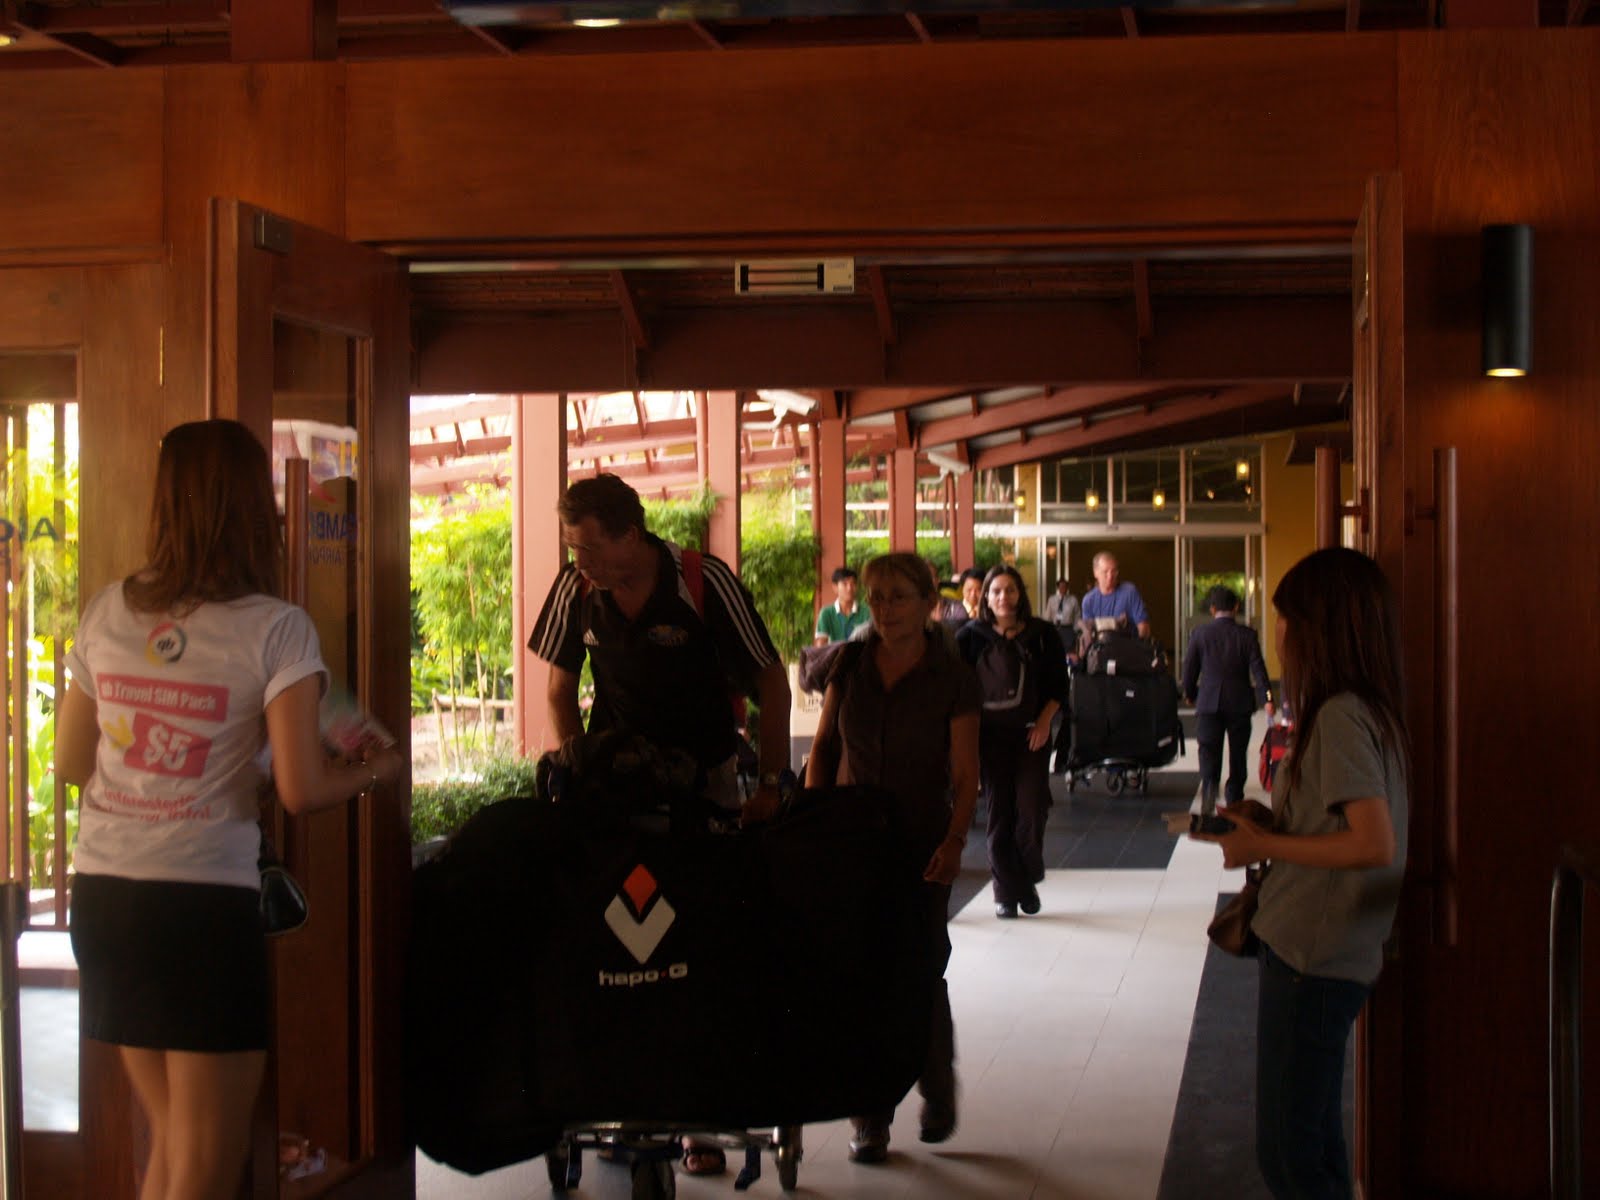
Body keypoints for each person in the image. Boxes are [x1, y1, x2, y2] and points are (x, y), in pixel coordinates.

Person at [56, 419, 404, 1200]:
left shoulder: (109, 610)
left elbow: (73, 760)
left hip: (105, 900)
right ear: (255, 507)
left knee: (176, 1148)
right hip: (199, 908)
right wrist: (377, 770)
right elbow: (303, 789)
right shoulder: (276, 628)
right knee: (206, 1162)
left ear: (166, 504)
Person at [528, 472, 791, 1178]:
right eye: (572, 548)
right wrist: (576, 761)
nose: (579, 562)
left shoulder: (703, 581)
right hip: (616, 792)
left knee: (700, 943)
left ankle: (701, 1116)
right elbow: (558, 688)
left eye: (588, 548)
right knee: (620, 945)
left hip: (704, 785)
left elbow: (771, 680)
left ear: (631, 535)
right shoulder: (577, 590)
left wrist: (770, 784)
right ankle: (623, 1098)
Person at [1192, 547, 1409, 1200]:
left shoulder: (1340, 715)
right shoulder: (1367, 708)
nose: (1279, 632)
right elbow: (1335, 817)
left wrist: (1264, 843)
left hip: (1314, 950)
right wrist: (1269, 820)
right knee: (1316, 1142)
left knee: (1288, 1154)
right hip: (1332, 946)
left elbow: (1371, 841)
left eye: (1287, 619)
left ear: (1320, 628)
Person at [806, 553, 979, 1164]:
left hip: (921, 840)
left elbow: (966, 774)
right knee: (859, 972)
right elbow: (823, 749)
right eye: (877, 597)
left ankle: (936, 1084)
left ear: (930, 604)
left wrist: (955, 841)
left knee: (922, 966)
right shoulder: (849, 664)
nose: (884, 608)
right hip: (853, 839)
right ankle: (870, 1114)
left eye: (898, 596)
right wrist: (815, 821)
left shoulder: (951, 676)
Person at [955, 565, 1067, 920]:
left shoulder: (1042, 634)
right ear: (986, 597)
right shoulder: (969, 638)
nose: (1004, 597)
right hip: (989, 737)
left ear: (1020, 594)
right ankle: (1007, 893)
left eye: (1010, 590)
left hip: (1032, 733)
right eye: (996, 591)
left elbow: (1059, 686)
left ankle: (1024, 877)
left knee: (1032, 809)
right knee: (999, 813)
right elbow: (958, 693)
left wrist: (1045, 723)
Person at [1181, 584, 1272, 811]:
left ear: (1212, 609)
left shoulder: (1199, 634)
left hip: (1208, 703)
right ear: (1236, 607)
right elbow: (1259, 670)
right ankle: (1234, 801)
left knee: (1209, 751)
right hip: (1239, 703)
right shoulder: (1247, 635)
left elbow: (1189, 670)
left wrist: (1190, 694)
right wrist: (1267, 698)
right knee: (1238, 754)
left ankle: (1209, 795)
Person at [1079, 551, 1151, 639]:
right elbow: (1088, 633)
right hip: (1100, 645)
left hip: (1129, 645)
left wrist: (1140, 643)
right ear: (1095, 573)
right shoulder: (1088, 600)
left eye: (1114, 571)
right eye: (1105, 572)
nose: (1110, 576)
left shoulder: (1129, 592)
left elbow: (1143, 626)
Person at [814, 565, 868, 645]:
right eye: (845, 584)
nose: (849, 588)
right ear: (835, 587)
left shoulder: (867, 611)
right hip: (834, 653)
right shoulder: (826, 613)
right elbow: (821, 644)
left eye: (853, 583)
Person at [1042, 576, 1081, 658]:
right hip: (1056, 628)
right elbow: (1047, 616)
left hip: (1067, 629)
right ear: (1058, 588)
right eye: (1061, 587)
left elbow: (1077, 616)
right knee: (1055, 651)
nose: (1063, 589)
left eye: (1064, 587)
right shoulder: (1052, 599)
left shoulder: (1073, 600)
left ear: (1067, 588)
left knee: (1069, 652)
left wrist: (1076, 630)